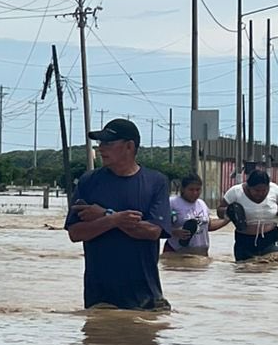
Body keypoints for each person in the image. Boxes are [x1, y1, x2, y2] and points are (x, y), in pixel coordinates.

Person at [65, 118, 171, 309]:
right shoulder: (88, 181)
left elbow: (153, 231)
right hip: (100, 298)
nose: (101, 149)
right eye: (99, 144)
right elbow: (76, 233)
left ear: (129, 146)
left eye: (108, 143)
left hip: (146, 298)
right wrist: (113, 220)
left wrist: (106, 215)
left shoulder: (156, 182)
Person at [219, 167, 278, 261]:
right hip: (244, 241)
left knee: (275, 266)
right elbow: (220, 210)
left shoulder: (275, 189)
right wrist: (230, 212)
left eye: (264, 190)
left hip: (271, 239)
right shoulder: (235, 192)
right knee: (245, 269)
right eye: (256, 190)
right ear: (248, 186)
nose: (260, 193)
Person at [165, 173, 228, 258]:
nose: (195, 193)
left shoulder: (201, 204)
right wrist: (174, 232)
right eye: (191, 190)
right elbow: (159, 225)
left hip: (201, 255)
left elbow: (208, 226)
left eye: (198, 190)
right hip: (177, 253)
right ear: (183, 189)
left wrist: (227, 220)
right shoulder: (172, 203)